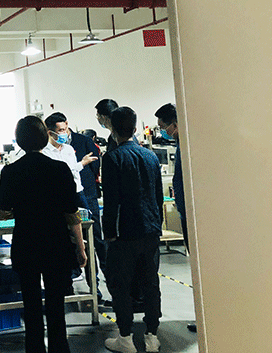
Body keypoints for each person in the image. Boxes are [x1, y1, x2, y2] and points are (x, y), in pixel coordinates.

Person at [0, 115, 87, 353]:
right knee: (56, 303)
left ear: (18, 140)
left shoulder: (11, 171)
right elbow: (72, 213)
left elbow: (3, 213)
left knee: (31, 304)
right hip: (56, 243)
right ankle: (59, 347)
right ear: (45, 137)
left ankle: (35, 348)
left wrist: (23, 208)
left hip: (26, 243)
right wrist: (80, 247)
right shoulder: (60, 169)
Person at [102, 107, 163, 353]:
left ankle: (125, 337)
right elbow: (157, 196)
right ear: (136, 128)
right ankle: (152, 336)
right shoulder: (151, 157)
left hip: (124, 233)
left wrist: (109, 233)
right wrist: (156, 225)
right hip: (150, 230)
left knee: (122, 286)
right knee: (150, 284)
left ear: (112, 130)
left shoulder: (112, 158)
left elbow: (111, 201)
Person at [45, 111, 107, 304]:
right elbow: (59, 176)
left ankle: (95, 288)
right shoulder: (45, 152)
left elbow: (74, 173)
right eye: (60, 130)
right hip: (59, 199)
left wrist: (81, 164)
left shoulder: (69, 149)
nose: (64, 133)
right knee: (65, 243)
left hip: (79, 195)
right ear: (49, 132)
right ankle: (67, 286)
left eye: (65, 129)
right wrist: (81, 164)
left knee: (91, 240)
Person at [155, 103, 196, 333]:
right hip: (185, 211)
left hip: (192, 213)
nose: (163, 132)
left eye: (164, 127)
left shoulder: (189, 144)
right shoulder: (180, 144)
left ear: (176, 124)